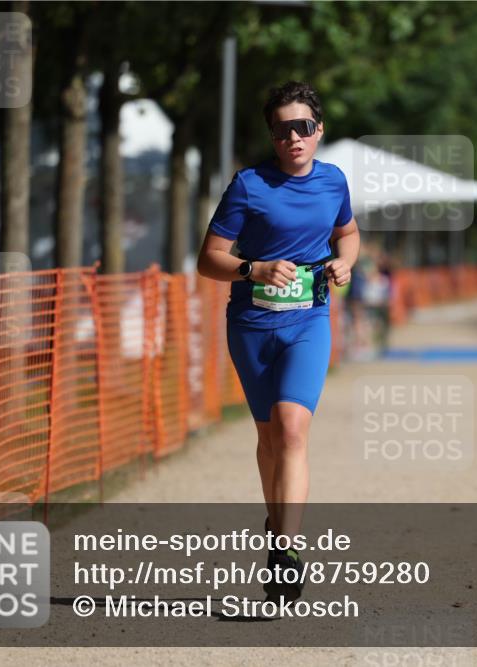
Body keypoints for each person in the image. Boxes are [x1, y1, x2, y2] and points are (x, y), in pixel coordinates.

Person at [197, 81, 360, 602]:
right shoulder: (248, 185)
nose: (295, 137)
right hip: (250, 326)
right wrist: (253, 268)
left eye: (304, 127)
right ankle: (278, 523)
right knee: (268, 438)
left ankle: (286, 551)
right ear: (273, 136)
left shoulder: (334, 182)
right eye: (284, 129)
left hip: (308, 322)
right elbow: (208, 259)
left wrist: (346, 263)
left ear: (319, 131)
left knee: (292, 431)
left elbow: (349, 233)